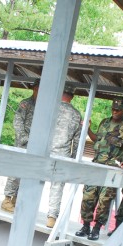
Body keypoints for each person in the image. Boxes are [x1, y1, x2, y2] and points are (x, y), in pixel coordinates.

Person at [75, 96, 123, 241]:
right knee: (88, 197)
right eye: (113, 109)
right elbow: (96, 139)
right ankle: (85, 226)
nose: (115, 111)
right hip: (96, 166)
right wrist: (88, 128)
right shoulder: (104, 122)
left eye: (118, 109)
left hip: (111, 170)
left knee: (104, 200)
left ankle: (96, 229)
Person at [46, 82, 83, 227]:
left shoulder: (50, 109)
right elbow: (78, 140)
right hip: (63, 154)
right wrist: (72, 158)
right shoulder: (76, 115)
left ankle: (24, 207)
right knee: (57, 186)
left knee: (35, 180)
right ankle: (51, 217)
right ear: (72, 96)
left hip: (44, 151)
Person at [1, 78, 40, 213]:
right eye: (37, 89)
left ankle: (16, 200)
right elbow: (17, 123)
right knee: (15, 172)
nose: (39, 91)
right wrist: (25, 139)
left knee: (26, 174)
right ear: (34, 89)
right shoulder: (26, 104)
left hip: (35, 148)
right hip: (22, 144)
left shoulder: (44, 107)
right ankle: (7, 199)